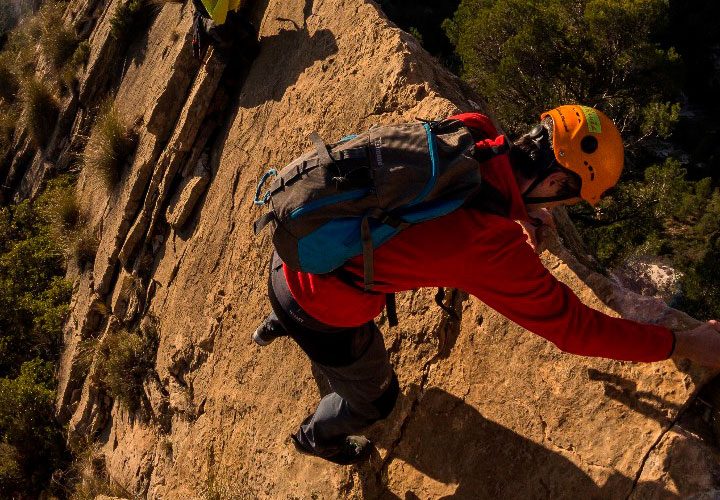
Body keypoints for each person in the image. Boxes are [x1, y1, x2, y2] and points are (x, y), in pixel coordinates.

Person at [253, 105, 720, 465]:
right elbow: (577, 330)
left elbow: (459, 183)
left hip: (299, 237)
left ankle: (281, 320)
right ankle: (315, 438)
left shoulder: (472, 130)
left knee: (327, 287)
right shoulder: (491, 249)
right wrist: (688, 343)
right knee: (376, 400)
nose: (561, 208)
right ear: (556, 179)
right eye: (568, 197)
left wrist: (522, 209)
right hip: (318, 308)